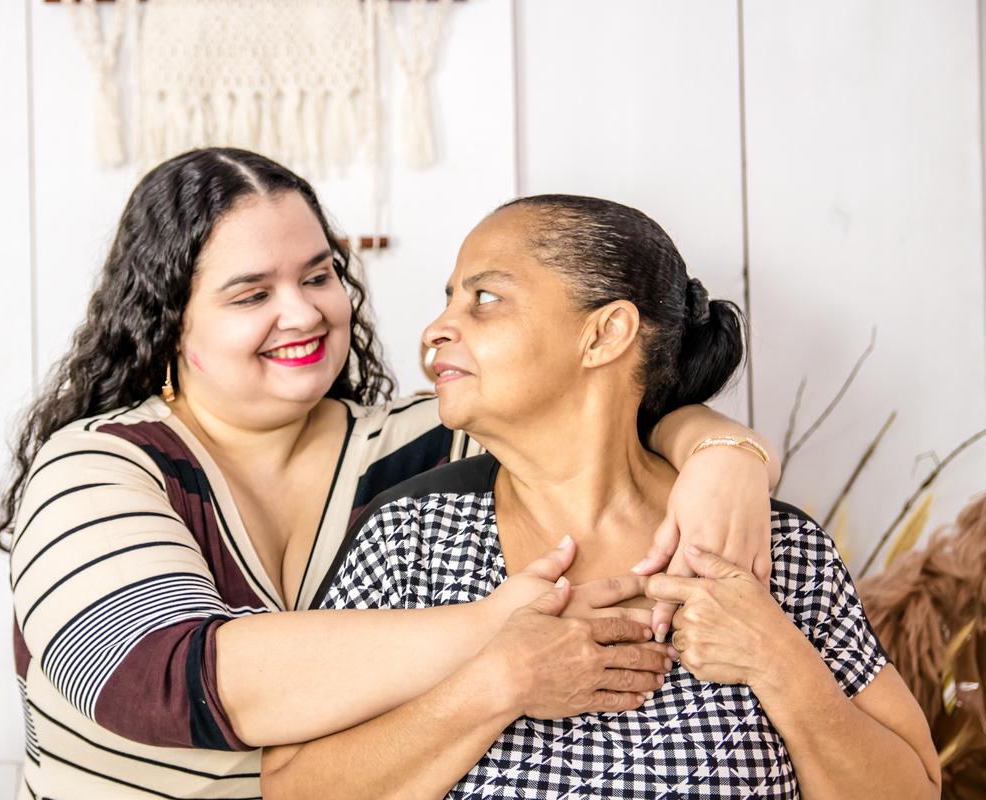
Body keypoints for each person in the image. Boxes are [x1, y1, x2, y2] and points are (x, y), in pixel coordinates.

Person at [0, 151, 783, 798]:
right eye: (251, 294)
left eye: (318, 276)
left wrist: (725, 457)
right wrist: (493, 638)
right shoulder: (96, 468)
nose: (304, 313)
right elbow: (168, 679)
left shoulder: (425, 439)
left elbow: (610, 410)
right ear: (167, 321)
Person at [261, 195, 941, 800]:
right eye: (447, 301)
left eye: (484, 299)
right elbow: (291, 788)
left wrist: (779, 662)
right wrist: (498, 685)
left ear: (605, 334)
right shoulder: (411, 539)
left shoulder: (769, 547)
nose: (435, 329)